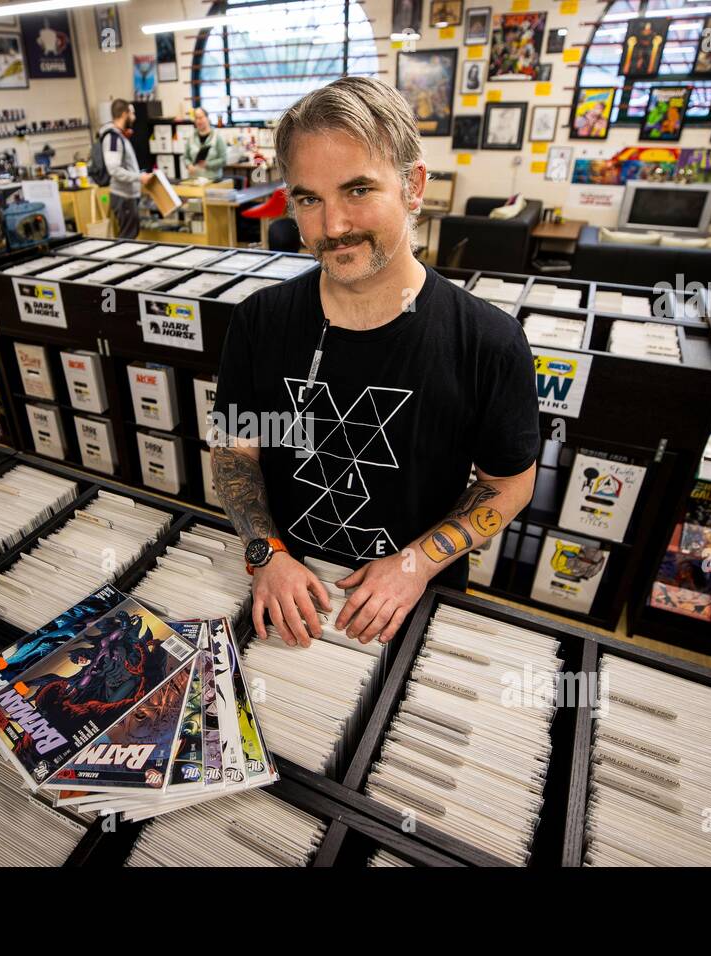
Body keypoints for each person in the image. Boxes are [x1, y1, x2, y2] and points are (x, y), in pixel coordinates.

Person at [209, 75, 539, 649]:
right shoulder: (258, 321)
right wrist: (266, 553)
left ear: (413, 187)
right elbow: (235, 453)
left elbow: (508, 485)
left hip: (412, 602)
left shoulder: (489, 341)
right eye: (309, 198)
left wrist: (413, 565)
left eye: (358, 189)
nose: (333, 226)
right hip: (283, 595)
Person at [97, 99, 151, 238]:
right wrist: (139, 177)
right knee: (127, 238)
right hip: (123, 197)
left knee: (131, 235)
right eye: (131, 113)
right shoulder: (113, 139)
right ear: (124, 114)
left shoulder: (120, 136)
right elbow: (114, 169)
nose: (134, 117)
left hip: (129, 196)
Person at [183, 107, 228, 181]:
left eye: (200, 118)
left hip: (213, 180)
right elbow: (186, 157)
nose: (198, 121)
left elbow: (223, 160)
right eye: (196, 118)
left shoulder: (217, 137)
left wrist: (207, 164)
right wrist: (189, 165)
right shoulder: (191, 137)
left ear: (207, 118)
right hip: (194, 180)